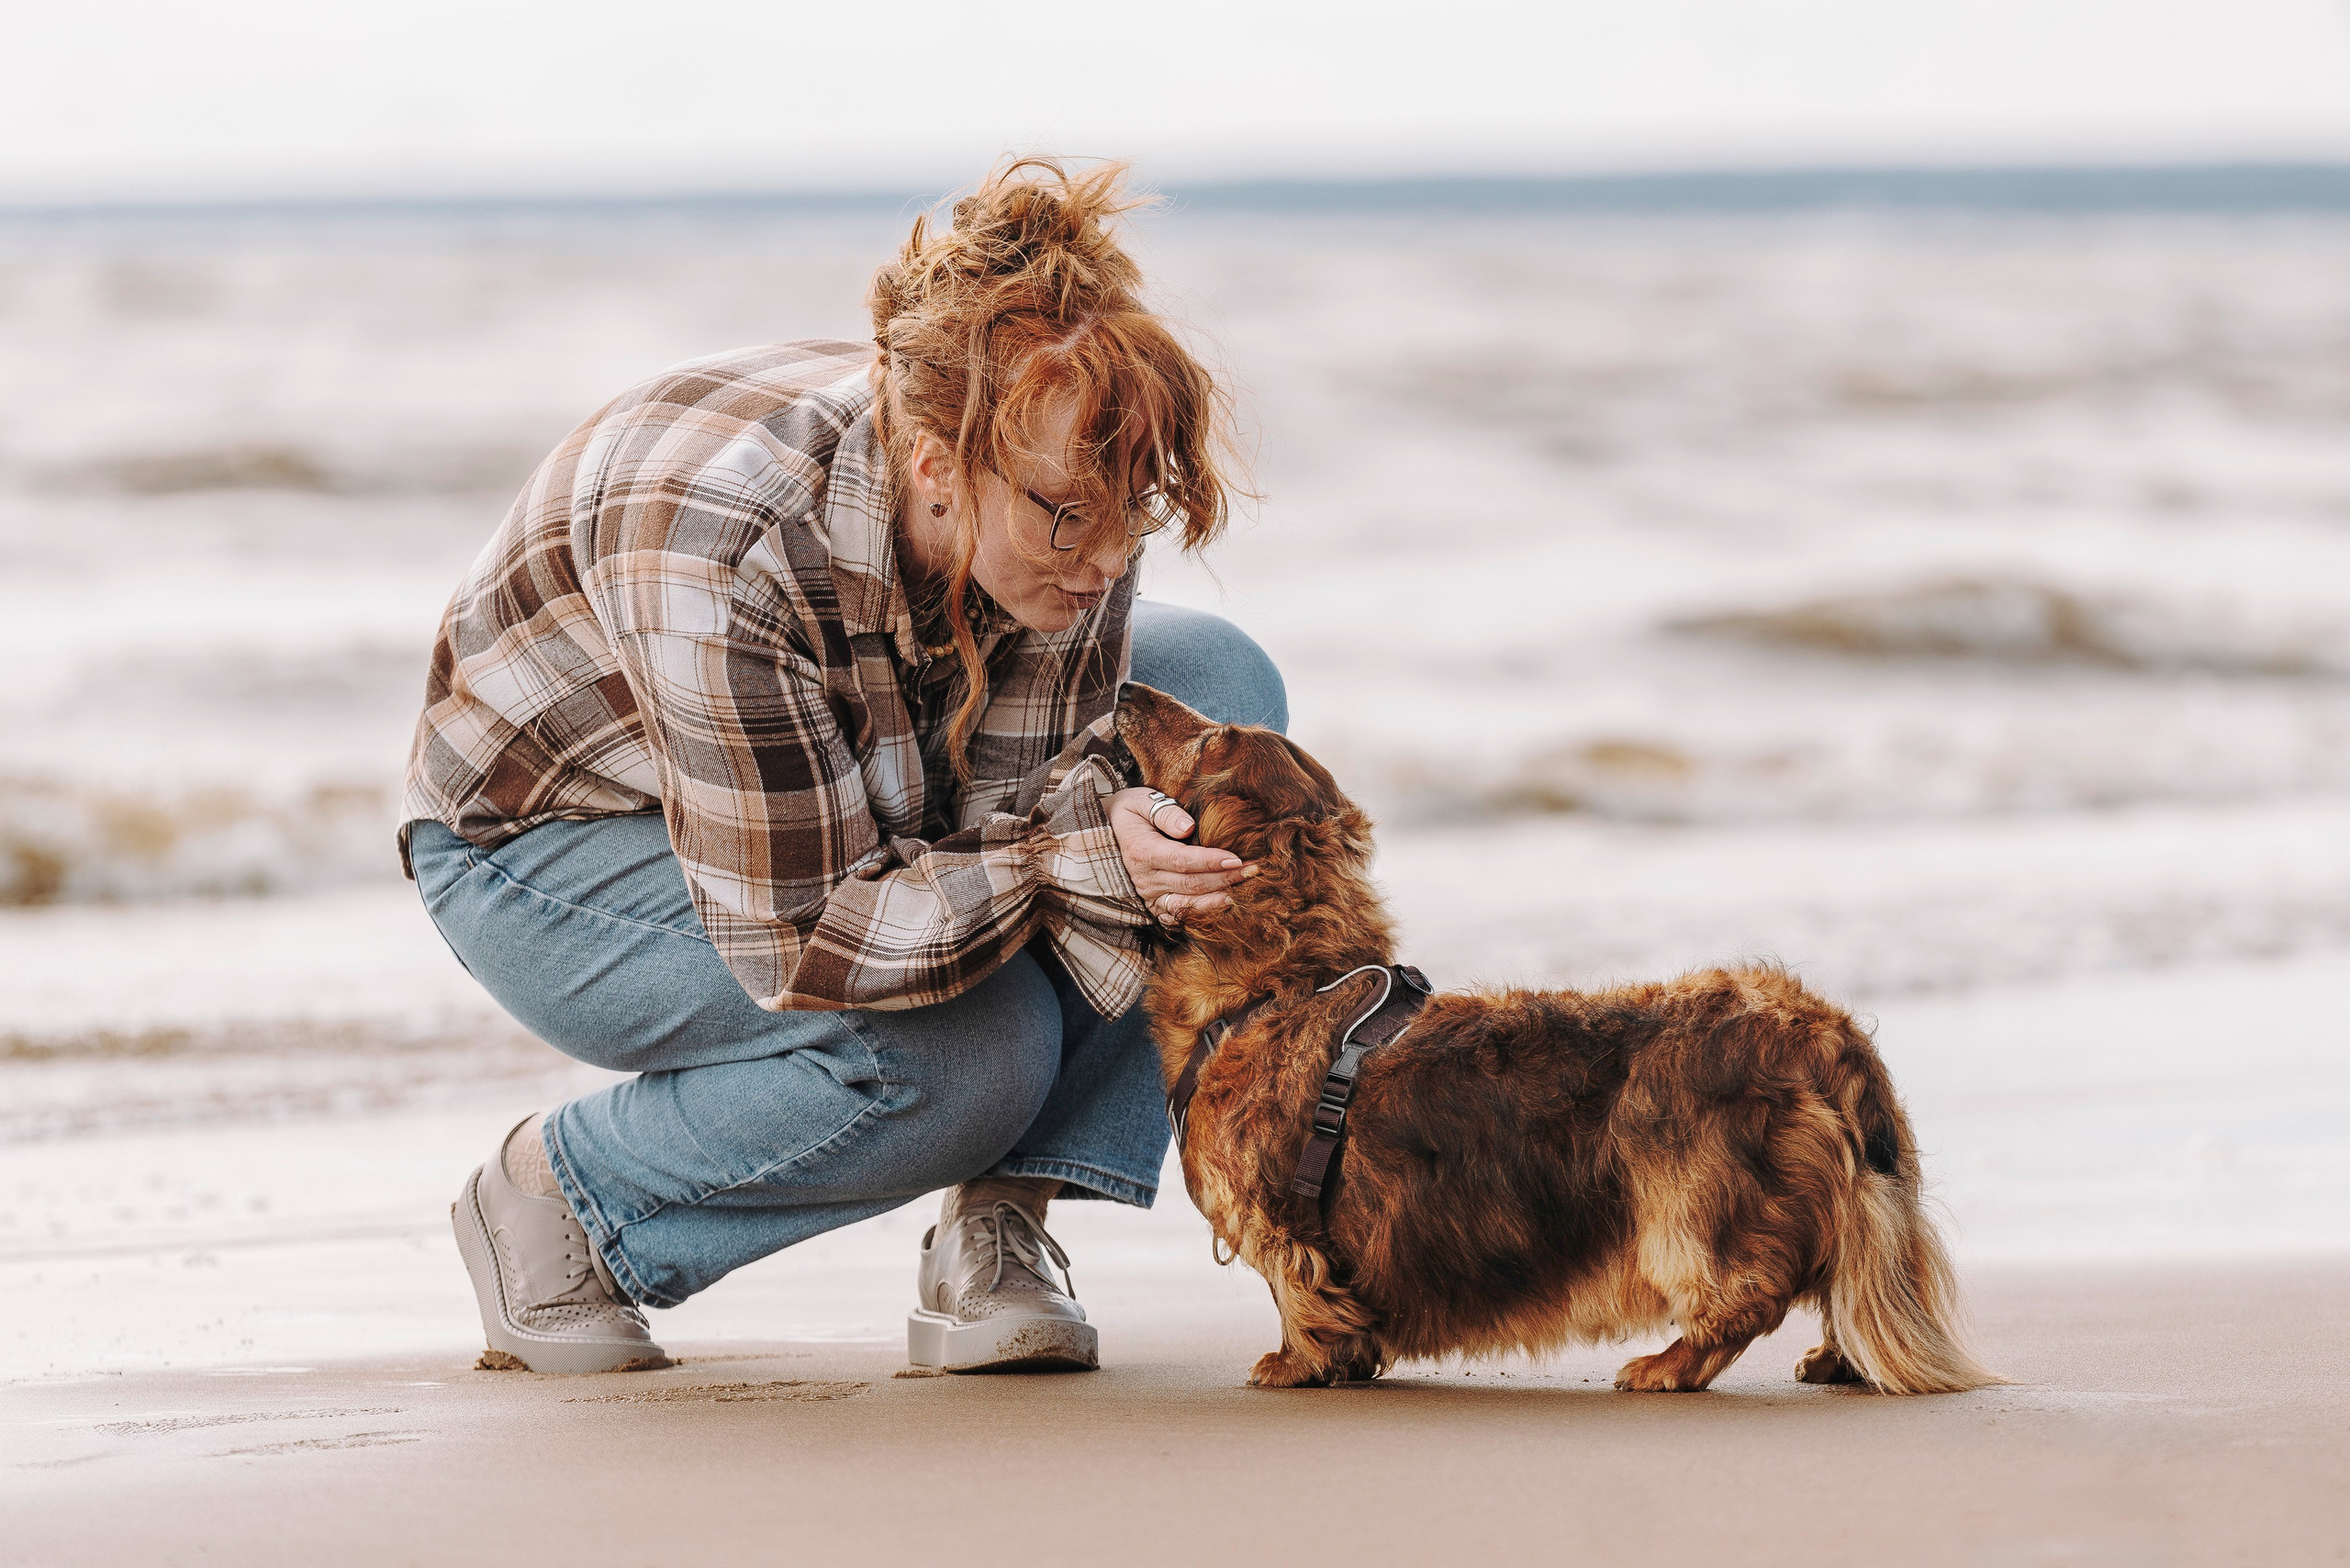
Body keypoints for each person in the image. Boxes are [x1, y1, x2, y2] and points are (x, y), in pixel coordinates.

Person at [400, 158, 1286, 1374]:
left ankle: (997, 1234)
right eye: (1070, 519)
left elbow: (1015, 806)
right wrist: (1087, 860)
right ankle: (572, 1201)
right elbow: (812, 937)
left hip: (850, 762)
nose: (1106, 558)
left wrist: (1091, 841)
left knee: (1219, 703)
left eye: (1134, 512)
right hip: (549, 847)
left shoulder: (1061, 459)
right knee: (975, 1053)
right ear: (934, 464)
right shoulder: (723, 552)